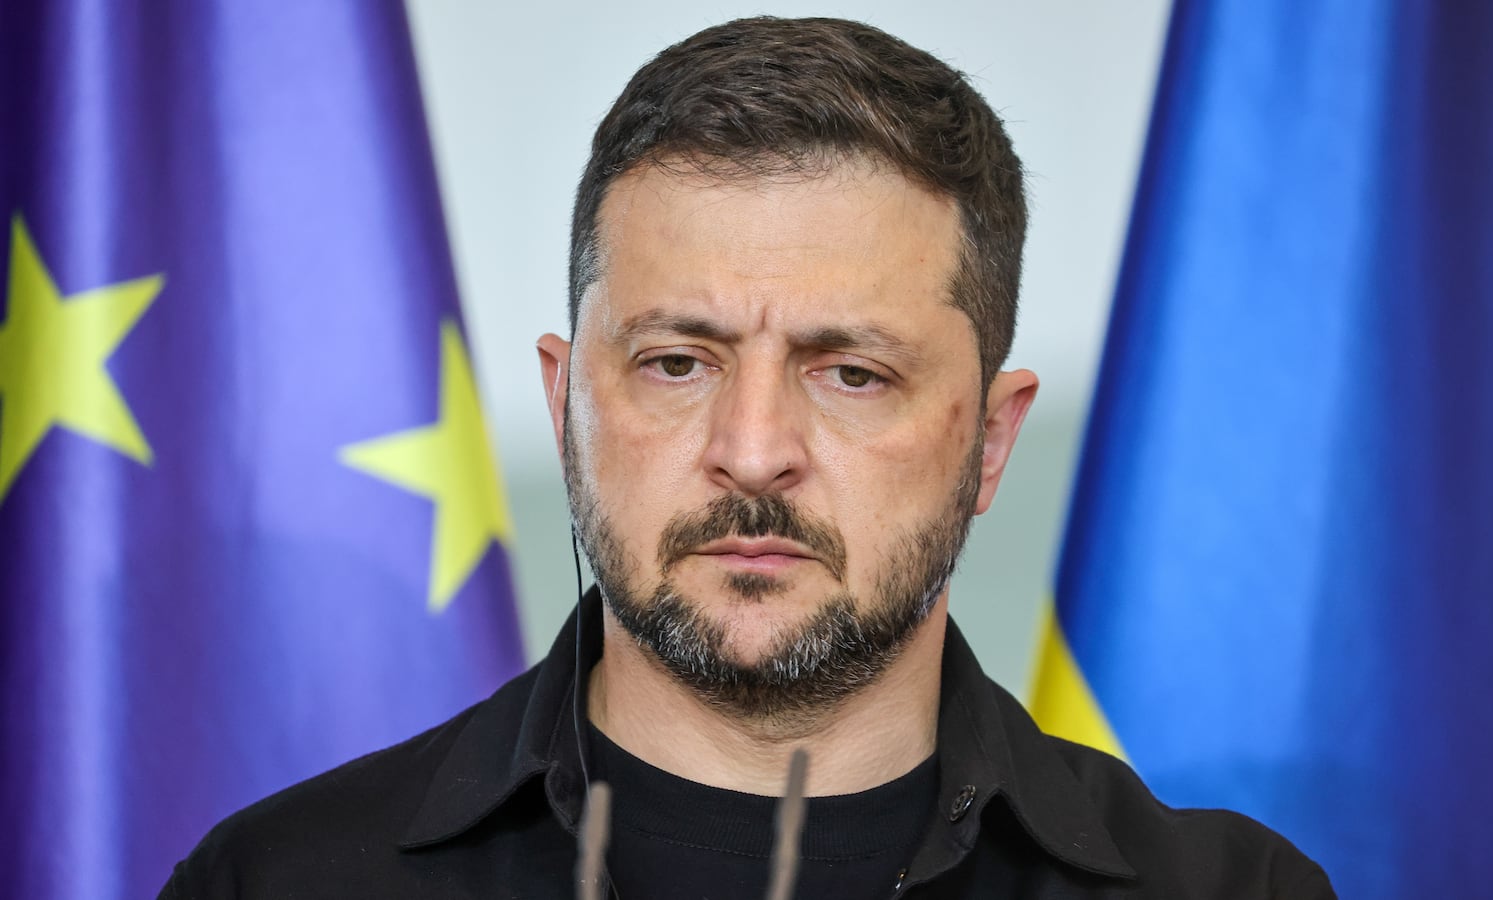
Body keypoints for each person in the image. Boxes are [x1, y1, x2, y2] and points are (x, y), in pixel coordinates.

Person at [161, 16, 1334, 899]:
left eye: (852, 373)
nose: (754, 453)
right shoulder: (278, 881)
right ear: (567, 402)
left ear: (989, 439)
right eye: (678, 362)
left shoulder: (1232, 893)